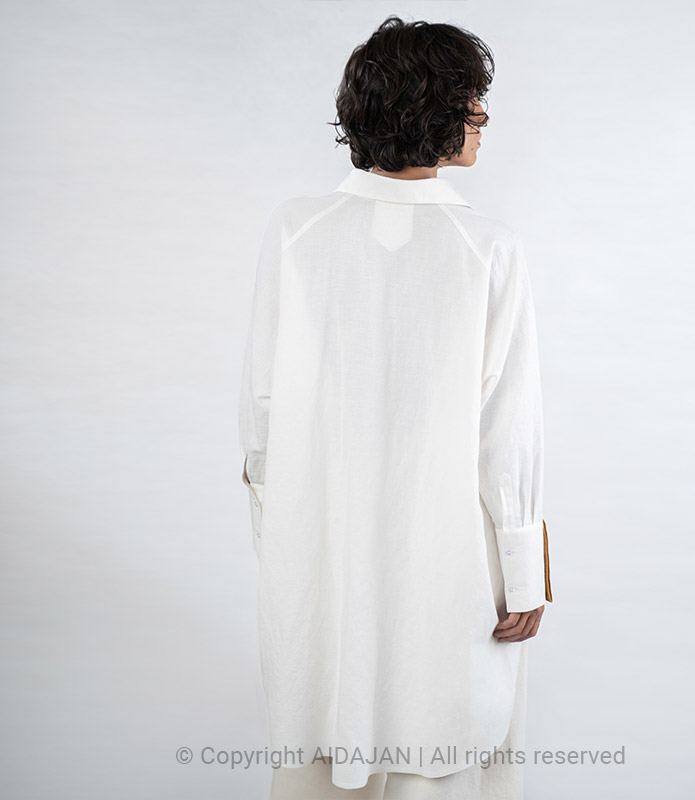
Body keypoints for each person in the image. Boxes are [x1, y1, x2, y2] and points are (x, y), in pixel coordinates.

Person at [238, 15, 552, 800]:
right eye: (470, 101)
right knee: (445, 746)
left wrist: (285, 546)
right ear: (432, 110)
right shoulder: (487, 248)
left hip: (318, 548)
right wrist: (523, 572)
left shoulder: (297, 232)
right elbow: (506, 433)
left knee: (317, 743)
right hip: (452, 557)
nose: (483, 118)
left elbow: (262, 414)